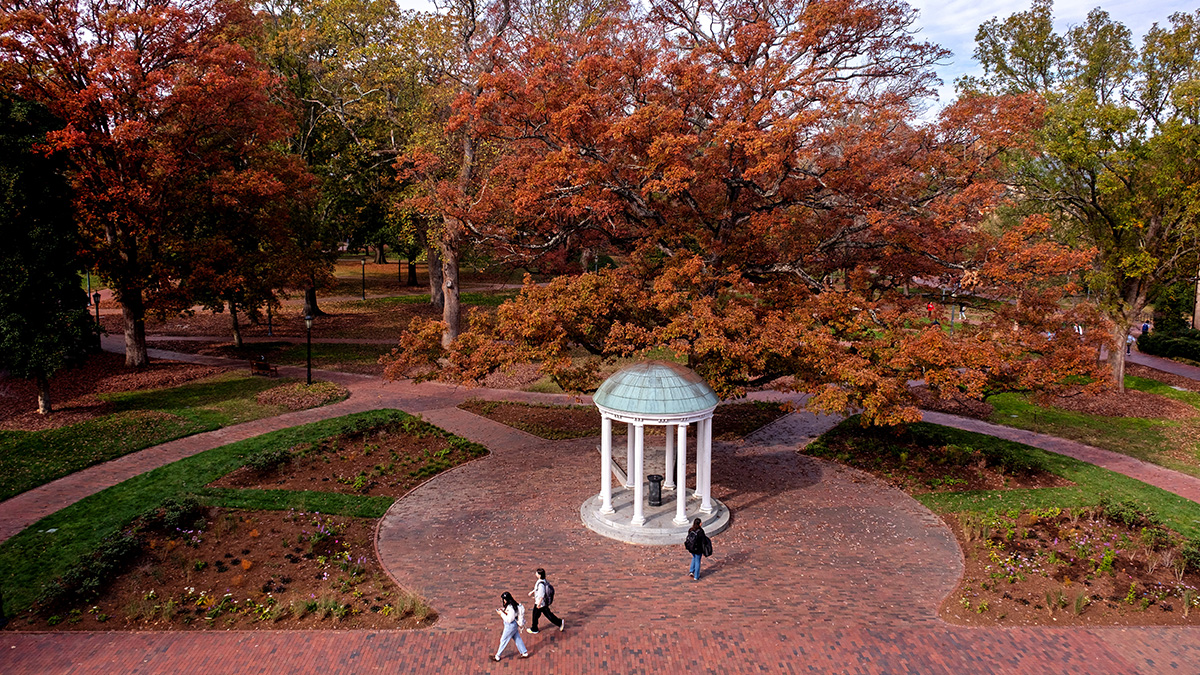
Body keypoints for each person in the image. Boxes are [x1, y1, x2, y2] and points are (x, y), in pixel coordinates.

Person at [493, 592, 529, 661]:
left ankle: (497, 656)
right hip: (514, 625)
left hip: (510, 626)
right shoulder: (514, 605)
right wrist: (503, 611)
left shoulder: (511, 608)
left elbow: (509, 619)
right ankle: (524, 652)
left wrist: (501, 614)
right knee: (517, 638)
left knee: (503, 640)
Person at [527, 568, 564, 634]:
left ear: (540, 575)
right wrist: (532, 592)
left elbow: (542, 595)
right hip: (542, 604)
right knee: (546, 615)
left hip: (540, 604)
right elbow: (536, 588)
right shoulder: (542, 581)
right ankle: (559, 622)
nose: (536, 574)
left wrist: (538, 604)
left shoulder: (541, 584)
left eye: (537, 573)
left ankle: (534, 629)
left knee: (536, 615)